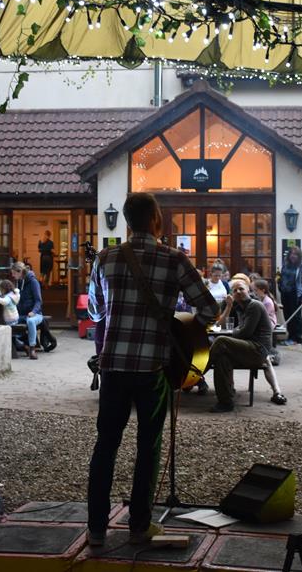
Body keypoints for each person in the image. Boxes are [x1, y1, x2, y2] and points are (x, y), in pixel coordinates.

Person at [86, 193, 218, 548]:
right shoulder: (173, 259)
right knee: (149, 445)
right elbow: (209, 309)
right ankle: (139, 526)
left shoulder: (105, 258)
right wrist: (175, 324)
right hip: (152, 368)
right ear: (157, 220)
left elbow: (96, 311)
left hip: (113, 366)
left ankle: (96, 529)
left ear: (127, 221)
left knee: (106, 445)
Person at [208, 279, 278, 412]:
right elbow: (220, 326)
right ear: (232, 295)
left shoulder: (254, 305)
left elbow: (244, 332)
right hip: (247, 349)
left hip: (257, 351)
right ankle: (226, 402)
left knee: (221, 341)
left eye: (241, 289)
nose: (238, 292)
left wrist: (236, 331)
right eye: (235, 290)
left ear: (248, 291)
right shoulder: (240, 307)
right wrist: (229, 309)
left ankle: (200, 371)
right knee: (222, 359)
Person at [278, 246, 302, 345]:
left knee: (295, 316)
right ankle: (290, 336)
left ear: (299, 256)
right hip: (285, 293)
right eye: (291, 254)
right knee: (287, 315)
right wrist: (279, 284)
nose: (293, 256)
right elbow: (281, 275)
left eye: (295, 254)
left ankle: (297, 338)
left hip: (296, 294)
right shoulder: (286, 263)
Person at [11, 261, 44, 352]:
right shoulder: (18, 282)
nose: (13, 276)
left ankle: (32, 347)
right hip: (21, 314)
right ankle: (21, 345)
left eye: (14, 273)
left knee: (30, 322)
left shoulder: (33, 282)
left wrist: (33, 311)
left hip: (35, 314)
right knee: (9, 322)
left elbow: (38, 300)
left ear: (20, 272)